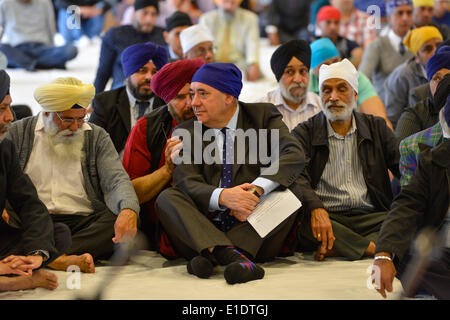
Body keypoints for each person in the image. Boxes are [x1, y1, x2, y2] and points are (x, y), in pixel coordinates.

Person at [155, 63, 306, 284]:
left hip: (252, 224)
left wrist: (255, 191)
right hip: (204, 225)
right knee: (168, 198)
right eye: (191, 94)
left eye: (202, 94)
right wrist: (224, 197)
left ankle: (211, 255)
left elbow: (292, 154)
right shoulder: (186, 131)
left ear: (228, 97)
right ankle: (232, 256)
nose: (193, 102)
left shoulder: (262, 116)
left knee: (292, 192)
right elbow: (186, 180)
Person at [5, 77, 140, 274]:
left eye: (81, 118)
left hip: (82, 224)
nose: (76, 127)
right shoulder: (18, 133)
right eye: (68, 119)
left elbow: (116, 179)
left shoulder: (95, 135)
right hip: (30, 221)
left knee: (122, 215)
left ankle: (47, 256)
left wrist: (128, 210)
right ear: (47, 112)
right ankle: (55, 255)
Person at [292, 59, 400, 261]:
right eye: (326, 90)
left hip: (371, 216)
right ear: (320, 95)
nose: (333, 97)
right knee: (304, 226)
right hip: (327, 217)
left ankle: (339, 245)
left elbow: (403, 168)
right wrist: (316, 207)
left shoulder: (376, 128)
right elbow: (296, 177)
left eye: (342, 89)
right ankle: (373, 248)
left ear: (356, 95)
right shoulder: (304, 133)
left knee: (400, 223)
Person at [122, 58, 204, 257]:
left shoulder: (222, 122)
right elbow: (129, 194)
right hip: (161, 225)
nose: (190, 104)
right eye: (179, 97)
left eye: (194, 94)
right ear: (167, 100)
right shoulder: (147, 128)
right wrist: (167, 170)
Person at [0, 71, 71, 292]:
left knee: (58, 233)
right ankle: (12, 280)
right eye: (2, 109)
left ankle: (17, 268)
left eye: (9, 108)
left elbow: (29, 203)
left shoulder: (3, 147)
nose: (10, 117)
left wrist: (36, 254)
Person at [373, 97, 450, 299]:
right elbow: (407, 205)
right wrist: (384, 254)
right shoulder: (435, 161)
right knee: (407, 252)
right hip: (443, 252)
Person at [90, 42, 168, 155]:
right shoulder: (105, 103)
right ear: (127, 75)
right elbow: (92, 147)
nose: (149, 77)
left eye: (155, 72)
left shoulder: (167, 104)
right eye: (142, 70)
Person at [309, 38, 393, 129]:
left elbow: (379, 118)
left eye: (335, 61)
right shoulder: (306, 83)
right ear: (313, 70)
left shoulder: (355, 77)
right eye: (324, 66)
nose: (332, 67)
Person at [93, 0, 166, 93]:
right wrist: (95, 102)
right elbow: (103, 72)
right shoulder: (116, 34)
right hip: (122, 89)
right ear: (134, 13)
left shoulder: (163, 35)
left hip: (155, 89)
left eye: (153, 14)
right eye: (144, 13)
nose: (149, 19)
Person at [256, 40, 322, 131]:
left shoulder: (320, 107)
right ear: (279, 77)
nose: (298, 79)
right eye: (290, 72)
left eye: (303, 71)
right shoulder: (260, 111)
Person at [384, 26, 443, 127]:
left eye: (439, 46)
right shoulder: (400, 77)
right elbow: (393, 120)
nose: (435, 52)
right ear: (417, 58)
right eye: (428, 49)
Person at [359, 0, 415, 101]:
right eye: (400, 13)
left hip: (415, 107)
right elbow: (362, 78)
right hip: (384, 107)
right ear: (389, 18)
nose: (405, 18)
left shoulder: (420, 45)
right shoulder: (376, 46)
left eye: (409, 13)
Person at [0, 0, 77, 71]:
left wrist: (52, 47)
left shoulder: (45, 2)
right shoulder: (4, 3)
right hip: (16, 49)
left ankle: (26, 63)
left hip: (42, 49)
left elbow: (50, 27)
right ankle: (42, 64)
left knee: (71, 50)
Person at [395, 45, 450, 139]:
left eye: (448, 77)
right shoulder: (414, 116)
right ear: (429, 83)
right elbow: (402, 151)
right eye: (436, 78)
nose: (443, 84)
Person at [199, 0, 261, 81]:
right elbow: (202, 50)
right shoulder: (206, 19)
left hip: (239, 68)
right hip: (213, 68)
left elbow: (252, 44)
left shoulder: (250, 18)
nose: (229, 2)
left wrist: (253, 64)